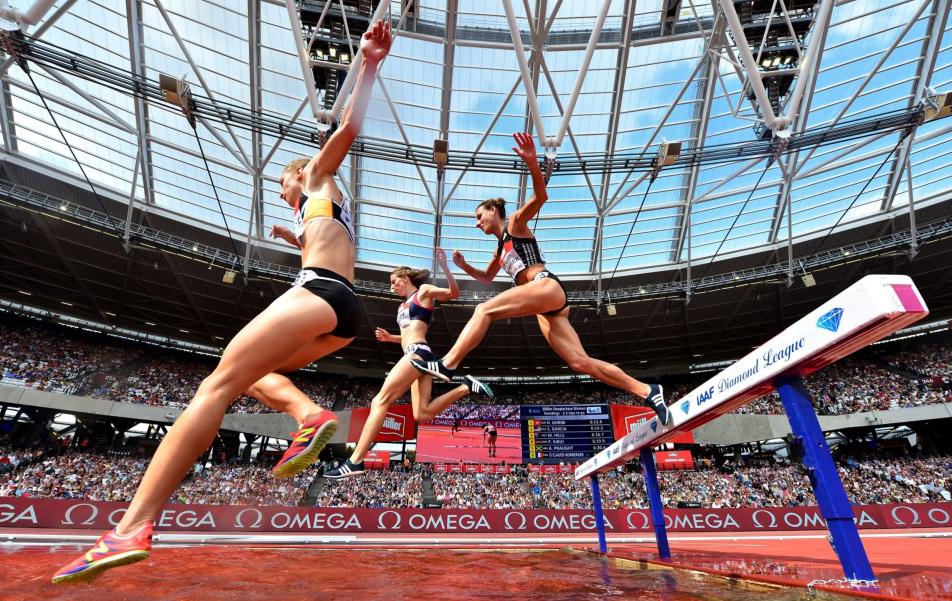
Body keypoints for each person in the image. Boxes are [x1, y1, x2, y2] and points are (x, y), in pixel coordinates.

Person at [50, 21, 394, 584]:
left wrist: (370, 63)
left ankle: (131, 527)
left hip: (320, 294)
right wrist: (293, 238)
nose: (282, 194)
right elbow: (320, 237)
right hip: (343, 309)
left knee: (217, 384)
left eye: (282, 187)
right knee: (255, 377)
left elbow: (348, 129)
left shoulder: (315, 176)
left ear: (297, 176)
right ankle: (308, 414)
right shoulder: (322, 212)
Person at [412, 132, 670, 425]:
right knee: (579, 362)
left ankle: (448, 365)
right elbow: (486, 278)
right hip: (545, 307)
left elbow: (541, 196)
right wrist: (462, 265)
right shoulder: (500, 249)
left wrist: (533, 163)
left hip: (545, 286)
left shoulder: (516, 224)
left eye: (479, 215)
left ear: (494, 210)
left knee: (484, 310)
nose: (477, 222)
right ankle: (648, 390)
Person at [324, 249, 492, 479]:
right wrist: (390, 338)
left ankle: (356, 460)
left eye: (394, 281)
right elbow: (407, 334)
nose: (392, 286)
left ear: (405, 278)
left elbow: (454, 293)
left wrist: (444, 267)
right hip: (417, 356)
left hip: (417, 354)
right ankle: (465, 387)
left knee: (379, 400)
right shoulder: (402, 306)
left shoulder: (422, 292)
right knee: (421, 414)